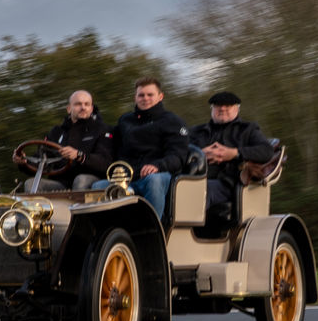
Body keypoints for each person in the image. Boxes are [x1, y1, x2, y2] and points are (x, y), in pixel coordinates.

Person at [92, 77, 195, 219]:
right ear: (135, 98)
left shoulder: (173, 121)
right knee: (97, 186)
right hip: (126, 177)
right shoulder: (125, 120)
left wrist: (157, 165)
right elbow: (109, 144)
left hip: (156, 175)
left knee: (154, 181)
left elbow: (178, 156)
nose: (145, 98)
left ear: (160, 96)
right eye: (141, 95)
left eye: (150, 95)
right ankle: (108, 233)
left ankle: (152, 231)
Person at [189, 90, 276, 226]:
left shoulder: (248, 129)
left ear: (236, 109)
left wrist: (235, 153)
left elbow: (267, 151)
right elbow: (177, 152)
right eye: (218, 105)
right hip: (192, 177)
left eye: (227, 105)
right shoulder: (196, 132)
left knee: (200, 189)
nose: (222, 108)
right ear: (212, 109)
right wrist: (199, 153)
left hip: (230, 183)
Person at [19, 89, 113, 192]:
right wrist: (24, 162)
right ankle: (37, 208)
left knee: (80, 180)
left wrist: (79, 155)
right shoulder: (57, 132)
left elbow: (106, 163)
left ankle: (78, 208)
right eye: (78, 104)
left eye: (87, 104)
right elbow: (42, 161)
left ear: (91, 108)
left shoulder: (102, 130)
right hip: (61, 184)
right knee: (30, 183)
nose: (83, 107)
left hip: (91, 181)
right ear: (69, 109)